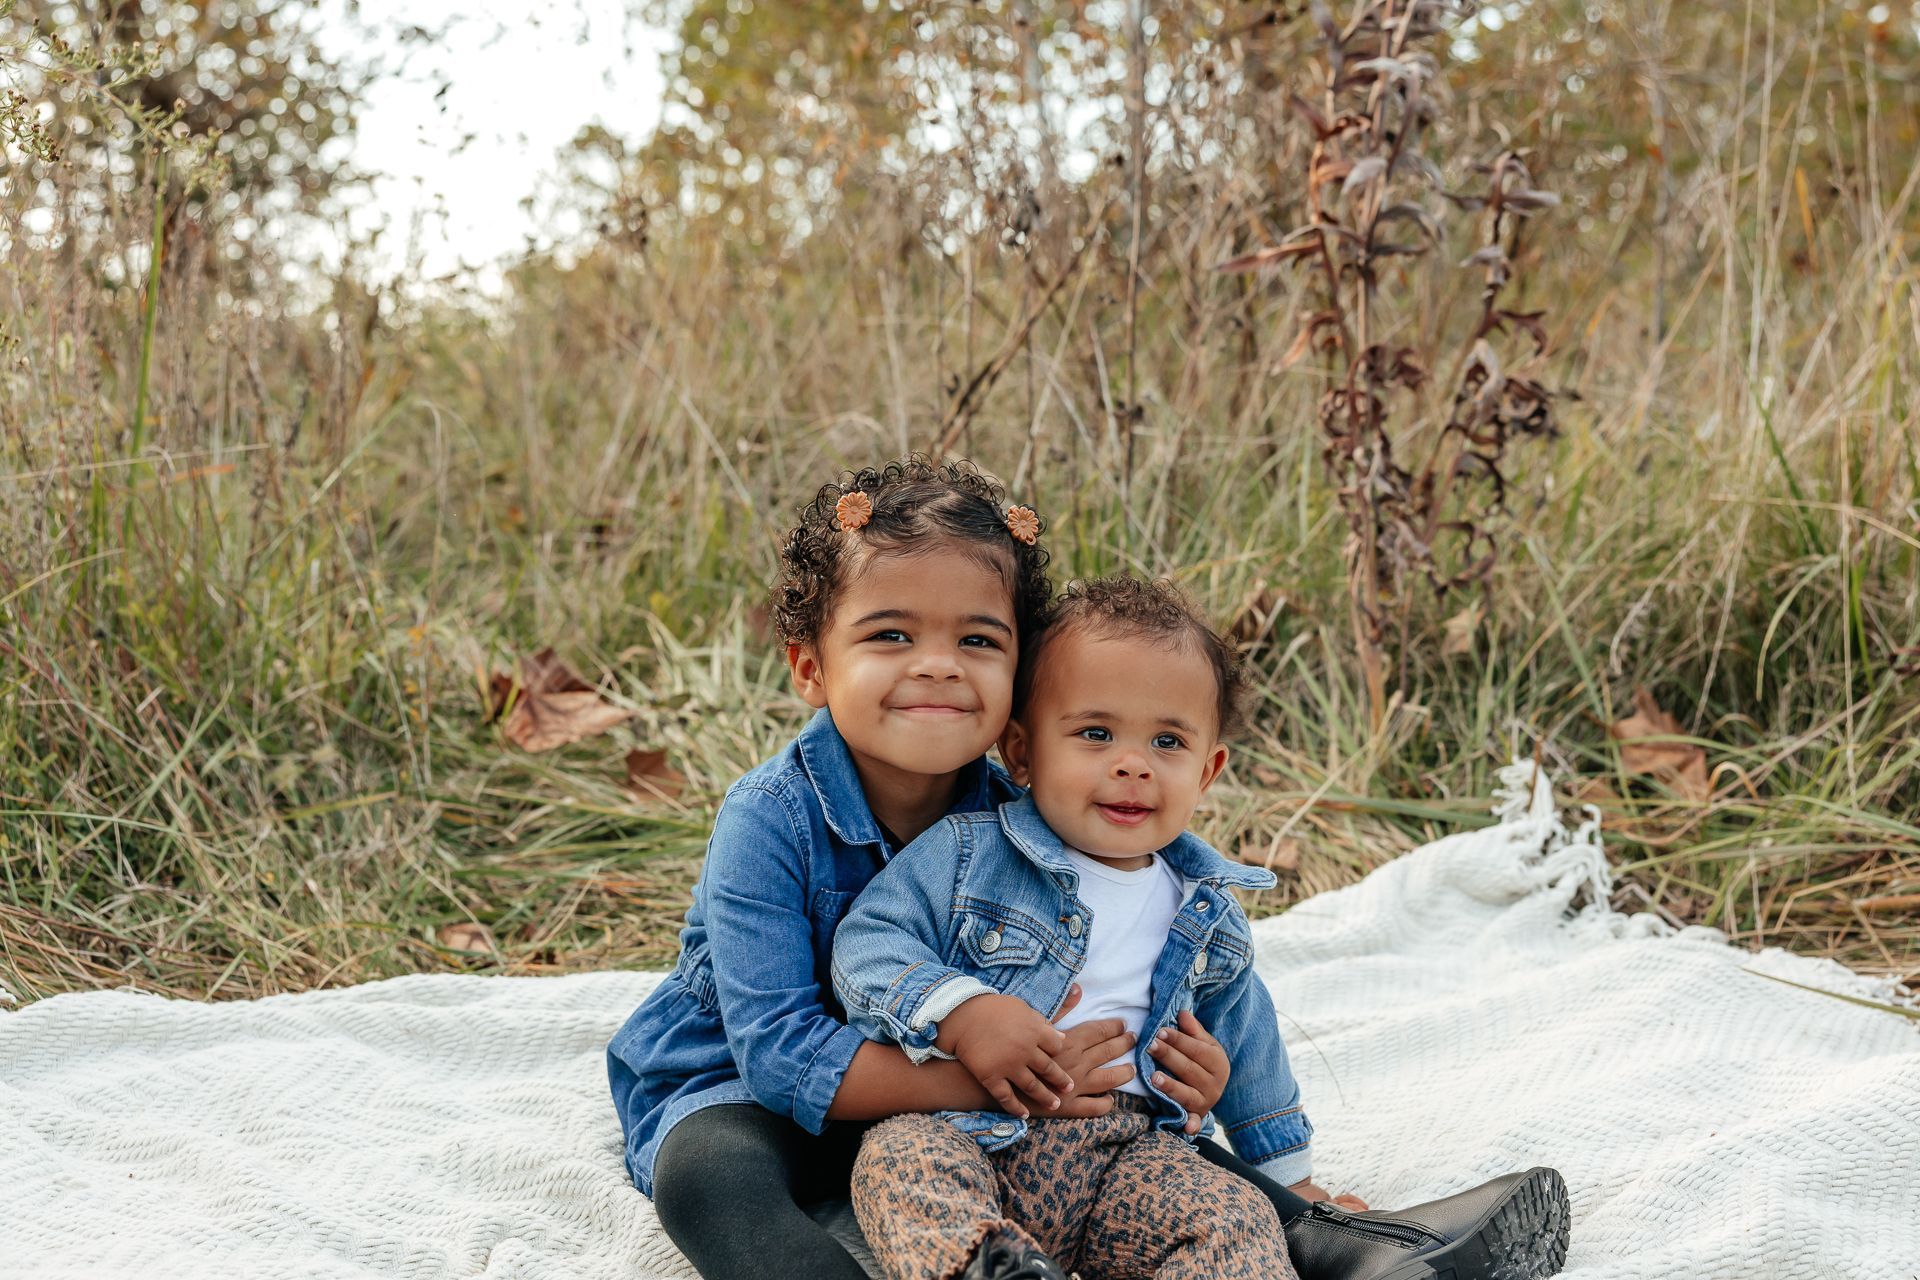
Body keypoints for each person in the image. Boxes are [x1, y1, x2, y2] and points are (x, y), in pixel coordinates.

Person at [607, 457, 1569, 1280]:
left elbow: (1136, 949)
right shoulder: (768, 818)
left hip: (988, 1111)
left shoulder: (1032, 808)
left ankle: (1336, 1241)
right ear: (811, 667)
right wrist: (991, 1078)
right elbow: (777, 1053)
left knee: (1140, 1143)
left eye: (977, 641)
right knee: (708, 1177)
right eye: (891, 634)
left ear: (1020, 681)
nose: (939, 666)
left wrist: (1177, 1070)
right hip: (751, 1087)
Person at [831, 576, 1572, 1280]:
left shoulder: (1203, 910)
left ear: (1208, 770)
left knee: (1232, 1214)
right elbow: (867, 944)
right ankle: (987, 1267)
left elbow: (1250, 1048)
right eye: (1094, 733)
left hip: (1126, 1154)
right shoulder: (970, 854)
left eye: (1167, 743)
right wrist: (964, 1012)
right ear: (1022, 752)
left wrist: (1292, 1180)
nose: (1132, 767)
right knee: (898, 1163)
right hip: (970, 1130)